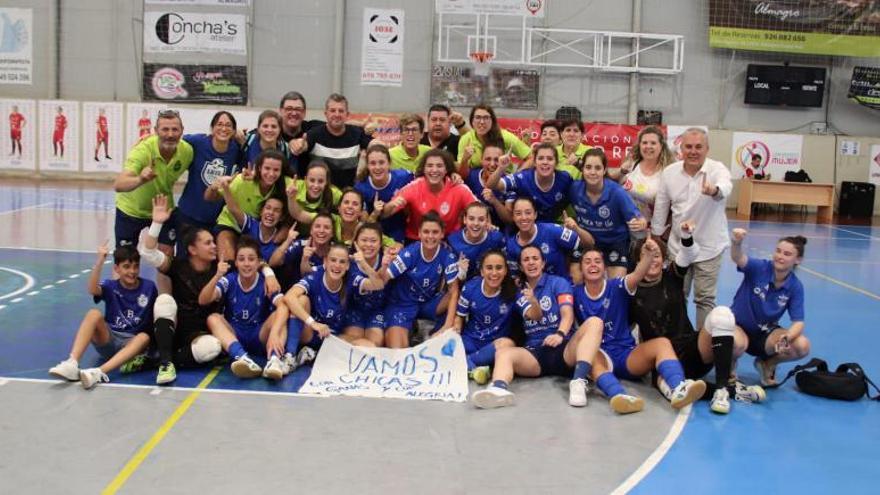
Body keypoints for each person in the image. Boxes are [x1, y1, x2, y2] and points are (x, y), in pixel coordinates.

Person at [629, 221, 765, 414]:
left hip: (692, 349)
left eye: (657, 255)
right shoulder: (630, 292)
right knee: (670, 386)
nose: (652, 260)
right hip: (662, 359)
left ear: (664, 260)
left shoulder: (672, 276)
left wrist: (686, 235)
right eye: (646, 256)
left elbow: (689, 253)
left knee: (722, 314)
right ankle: (734, 391)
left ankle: (721, 390)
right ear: (637, 262)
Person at [564, 242, 706, 413]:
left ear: (605, 268)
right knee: (590, 357)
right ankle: (619, 396)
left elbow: (638, 274)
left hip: (626, 354)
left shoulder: (616, 286)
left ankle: (678, 388)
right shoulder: (574, 293)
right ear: (581, 269)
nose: (593, 265)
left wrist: (648, 255)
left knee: (661, 343)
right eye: (587, 262)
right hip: (600, 353)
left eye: (597, 261)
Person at [137, 195, 242, 386]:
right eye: (208, 243)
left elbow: (253, 263)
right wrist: (156, 224)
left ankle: (156, 361)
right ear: (193, 249)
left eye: (213, 242)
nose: (213, 246)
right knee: (164, 301)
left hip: (200, 333)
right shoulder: (178, 265)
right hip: (175, 329)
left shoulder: (222, 267)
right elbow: (148, 253)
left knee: (212, 348)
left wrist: (267, 273)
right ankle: (166, 364)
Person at [469, 246, 576, 409]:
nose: (531, 263)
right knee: (504, 353)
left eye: (535, 258)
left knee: (592, 334)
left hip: (563, 345)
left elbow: (567, 314)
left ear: (543, 263)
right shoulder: (517, 291)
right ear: (520, 266)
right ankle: (498, 390)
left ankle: (584, 385)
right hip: (535, 353)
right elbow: (532, 314)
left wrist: (560, 334)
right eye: (526, 260)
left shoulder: (558, 282)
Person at [651, 127, 732, 330]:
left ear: (707, 149)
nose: (693, 151)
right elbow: (661, 206)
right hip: (678, 248)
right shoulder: (670, 173)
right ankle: (679, 339)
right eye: (688, 147)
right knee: (677, 295)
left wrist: (714, 190)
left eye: (698, 147)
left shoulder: (717, 169)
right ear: (681, 148)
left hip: (709, 248)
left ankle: (702, 347)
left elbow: (726, 187)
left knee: (705, 299)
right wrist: (654, 237)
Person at [49, 243, 156, 390]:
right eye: (126, 267)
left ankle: (99, 372)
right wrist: (100, 260)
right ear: (116, 269)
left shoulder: (149, 287)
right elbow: (92, 289)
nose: (132, 271)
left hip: (132, 343)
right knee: (93, 314)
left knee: (144, 337)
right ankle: (72, 363)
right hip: (109, 339)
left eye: (135, 266)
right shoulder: (110, 286)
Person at [729, 228, 811, 387]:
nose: (780, 256)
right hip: (738, 327)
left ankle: (767, 364)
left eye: (787, 254)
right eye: (778, 251)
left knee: (802, 346)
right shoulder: (759, 268)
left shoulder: (795, 286)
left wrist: (787, 337)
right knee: (736, 344)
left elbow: (798, 322)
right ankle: (729, 367)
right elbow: (737, 257)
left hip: (764, 334)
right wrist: (737, 243)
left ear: (798, 260)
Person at [199, 236, 289, 380]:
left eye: (251, 259)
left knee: (280, 316)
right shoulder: (229, 279)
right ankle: (242, 357)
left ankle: (274, 360)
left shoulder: (266, 282)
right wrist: (217, 275)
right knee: (213, 318)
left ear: (259, 262)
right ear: (236, 262)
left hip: (259, 335)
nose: (246, 264)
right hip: (236, 334)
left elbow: (283, 307)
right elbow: (203, 300)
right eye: (241, 259)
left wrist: (274, 333)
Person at [113, 109, 193, 250]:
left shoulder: (187, 151)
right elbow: (119, 184)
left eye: (175, 129)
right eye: (165, 129)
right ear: (156, 130)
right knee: (126, 260)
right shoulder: (142, 151)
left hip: (163, 209)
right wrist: (140, 179)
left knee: (166, 256)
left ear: (182, 131)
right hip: (131, 210)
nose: (170, 134)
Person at [382, 213, 460, 348]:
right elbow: (384, 279)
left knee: (457, 292)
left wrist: (447, 327)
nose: (430, 236)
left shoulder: (448, 255)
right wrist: (381, 266)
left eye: (435, 232)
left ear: (442, 234)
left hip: (428, 303)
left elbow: (454, 292)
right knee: (398, 351)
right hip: (403, 304)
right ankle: (412, 328)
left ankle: (428, 327)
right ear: (419, 233)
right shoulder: (409, 253)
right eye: (426, 232)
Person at [567, 148, 646, 278]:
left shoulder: (617, 192)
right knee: (576, 277)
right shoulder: (574, 189)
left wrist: (641, 223)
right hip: (587, 241)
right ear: (582, 169)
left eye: (597, 168)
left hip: (615, 242)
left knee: (616, 285)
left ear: (604, 170)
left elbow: (638, 218)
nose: (592, 172)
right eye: (588, 167)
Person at [207, 149, 293, 262]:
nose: (271, 174)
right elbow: (209, 197)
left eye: (276, 170)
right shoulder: (241, 180)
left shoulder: (288, 184)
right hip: (231, 225)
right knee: (228, 261)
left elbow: (297, 210)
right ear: (259, 168)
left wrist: (285, 229)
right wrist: (215, 187)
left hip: (258, 230)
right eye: (267, 168)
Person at [279, 243, 358, 359]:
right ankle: (289, 355)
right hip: (311, 333)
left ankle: (312, 354)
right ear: (325, 261)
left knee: (366, 345)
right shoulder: (316, 275)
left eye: (342, 262)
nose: (337, 265)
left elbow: (377, 284)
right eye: (333, 260)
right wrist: (313, 323)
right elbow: (289, 296)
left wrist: (365, 265)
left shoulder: (352, 279)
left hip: (332, 338)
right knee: (301, 299)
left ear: (347, 266)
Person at [451, 250, 517, 384]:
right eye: (489, 268)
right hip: (471, 341)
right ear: (481, 271)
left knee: (508, 344)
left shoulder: (514, 291)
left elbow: (532, 314)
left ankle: (467, 363)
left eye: (499, 268)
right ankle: (475, 369)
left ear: (505, 271)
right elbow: (459, 316)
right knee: (449, 345)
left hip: (494, 346)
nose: (494, 273)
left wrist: (532, 302)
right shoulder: (470, 287)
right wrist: (456, 331)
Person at [383, 149, 478, 242]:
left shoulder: (458, 187)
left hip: (450, 240)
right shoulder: (414, 187)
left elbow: (480, 210)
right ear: (424, 169)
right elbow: (385, 214)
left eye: (439, 166)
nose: (434, 170)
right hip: (417, 239)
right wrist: (391, 205)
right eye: (430, 166)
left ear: (446, 170)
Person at [176, 111, 241, 235]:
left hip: (216, 219)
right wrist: (150, 137)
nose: (223, 128)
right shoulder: (198, 142)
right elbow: (173, 138)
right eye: (219, 124)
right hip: (189, 214)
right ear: (212, 128)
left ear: (233, 131)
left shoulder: (237, 149)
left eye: (228, 125)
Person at [292, 93, 373, 188]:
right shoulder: (314, 134)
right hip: (320, 194)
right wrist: (298, 145)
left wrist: (377, 137)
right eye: (333, 110)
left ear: (347, 114)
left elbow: (373, 145)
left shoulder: (357, 133)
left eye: (341, 111)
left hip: (346, 196)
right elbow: (303, 145)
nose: (337, 114)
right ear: (326, 114)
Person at [486, 142, 574, 223]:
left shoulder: (564, 178)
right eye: (540, 158)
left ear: (556, 163)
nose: (545, 162)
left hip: (551, 227)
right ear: (534, 163)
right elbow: (491, 185)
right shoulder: (522, 178)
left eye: (550, 159)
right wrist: (500, 168)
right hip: (525, 226)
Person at [505, 197, 589, 280]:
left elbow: (589, 243)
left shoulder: (552, 231)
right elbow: (516, 278)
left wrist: (576, 229)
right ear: (513, 217)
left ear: (535, 215)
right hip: (533, 291)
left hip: (561, 288)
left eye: (528, 213)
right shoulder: (511, 246)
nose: (523, 217)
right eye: (518, 213)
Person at [340, 223, 393, 347]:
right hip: (354, 309)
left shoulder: (386, 259)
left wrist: (384, 266)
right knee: (356, 341)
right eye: (364, 240)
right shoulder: (350, 264)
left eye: (373, 241)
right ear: (356, 243)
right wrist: (363, 263)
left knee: (375, 343)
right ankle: (331, 341)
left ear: (380, 244)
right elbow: (377, 284)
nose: (368, 245)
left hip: (377, 310)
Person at [613, 125, 674, 222]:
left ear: (661, 146)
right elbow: (610, 183)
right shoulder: (632, 164)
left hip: (649, 232)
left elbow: (672, 209)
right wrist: (621, 171)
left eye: (653, 143)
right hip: (622, 228)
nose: (648, 146)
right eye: (644, 143)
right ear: (639, 145)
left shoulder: (668, 173)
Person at [355, 144, 413, 243]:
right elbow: (364, 225)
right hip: (373, 233)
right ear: (368, 166)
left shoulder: (404, 177)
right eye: (373, 163)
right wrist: (375, 213)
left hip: (399, 230)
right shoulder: (361, 187)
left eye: (381, 162)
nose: (377, 167)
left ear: (389, 163)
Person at [218, 179, 288, 262]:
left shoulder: (281, 238)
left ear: (281, 217)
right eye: (268, 208)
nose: (271, 213)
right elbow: (233, 209)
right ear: (261, 212)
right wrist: (226, 187)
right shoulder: (251, 224)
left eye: (276, 210)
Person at [457, 104, 531, 174]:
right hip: (477, 179)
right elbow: (463, 174)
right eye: (478, 117)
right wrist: (464, 160)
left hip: (503, 178)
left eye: (486, 118)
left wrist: (517, 176)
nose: (482, 122)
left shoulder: (505, 136)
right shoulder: (465, 139)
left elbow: (531, 157)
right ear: (472, 121)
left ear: (492, 121)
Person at [269, 211, 334, 289]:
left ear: (332, 233)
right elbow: (273, 262)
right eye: (317, 226)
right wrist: (288, 241)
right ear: (311, 231)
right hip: (296, 293)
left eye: (326, 227)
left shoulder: (336, 251)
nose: (321, 230)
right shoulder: (301, 244)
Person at [447, 202, 505, 281]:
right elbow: (448, 280)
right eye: (471, 219)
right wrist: (459, 273)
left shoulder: (496, 238)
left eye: (481, 219)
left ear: (487, 221)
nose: (476, 223)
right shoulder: (453, 241)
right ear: (465, 219)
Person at [284, 160, 343, 235]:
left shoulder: (334, 193)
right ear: (305, 180)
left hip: (321, 236)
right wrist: (291, 197)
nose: (316, 185)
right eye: (312, 180)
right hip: (295, 234)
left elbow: (353, 202)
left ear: (326, 182)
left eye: (321, 181)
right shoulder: (294, 185)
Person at [463, 143, 514, 227]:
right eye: (488, 159)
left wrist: (495, 201)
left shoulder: (509, 182)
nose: (492, 164)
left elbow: (510, 220)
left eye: (497, 160)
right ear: (481, 160)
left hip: (499, 232)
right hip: (472, 229)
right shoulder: (471, 176)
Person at [240, 110, 293, 175]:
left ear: (280, 129)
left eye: (274, 126)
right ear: (258, 128)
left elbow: (289, 177)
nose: (269, 130)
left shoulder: (286, 149)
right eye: (265, 126)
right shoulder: (247, 141)